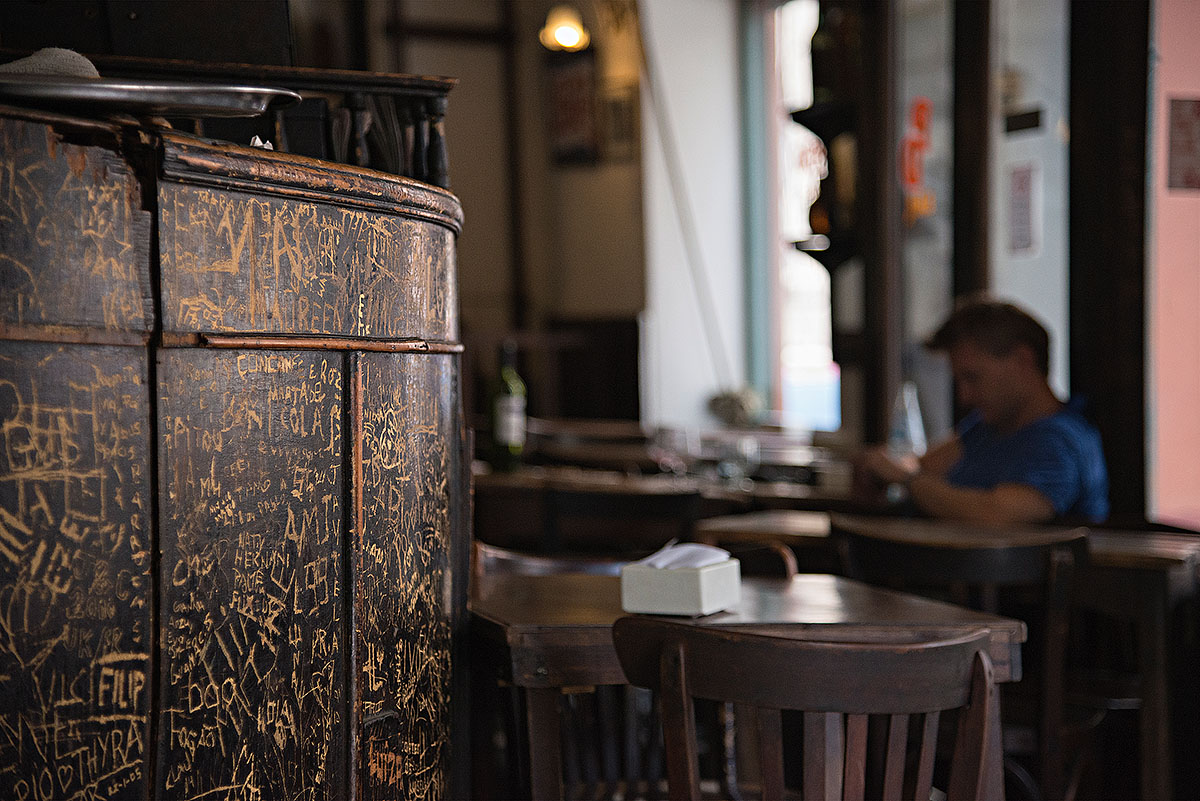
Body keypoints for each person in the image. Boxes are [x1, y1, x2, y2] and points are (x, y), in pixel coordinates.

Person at [856, 298, 1109, 524]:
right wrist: (881, 468)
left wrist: (907, 481)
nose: (965, 396)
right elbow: (924, 465)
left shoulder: (1058, 439)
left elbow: (998, 514)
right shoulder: (990, 426)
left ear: (1023, 360)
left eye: (973, 378)